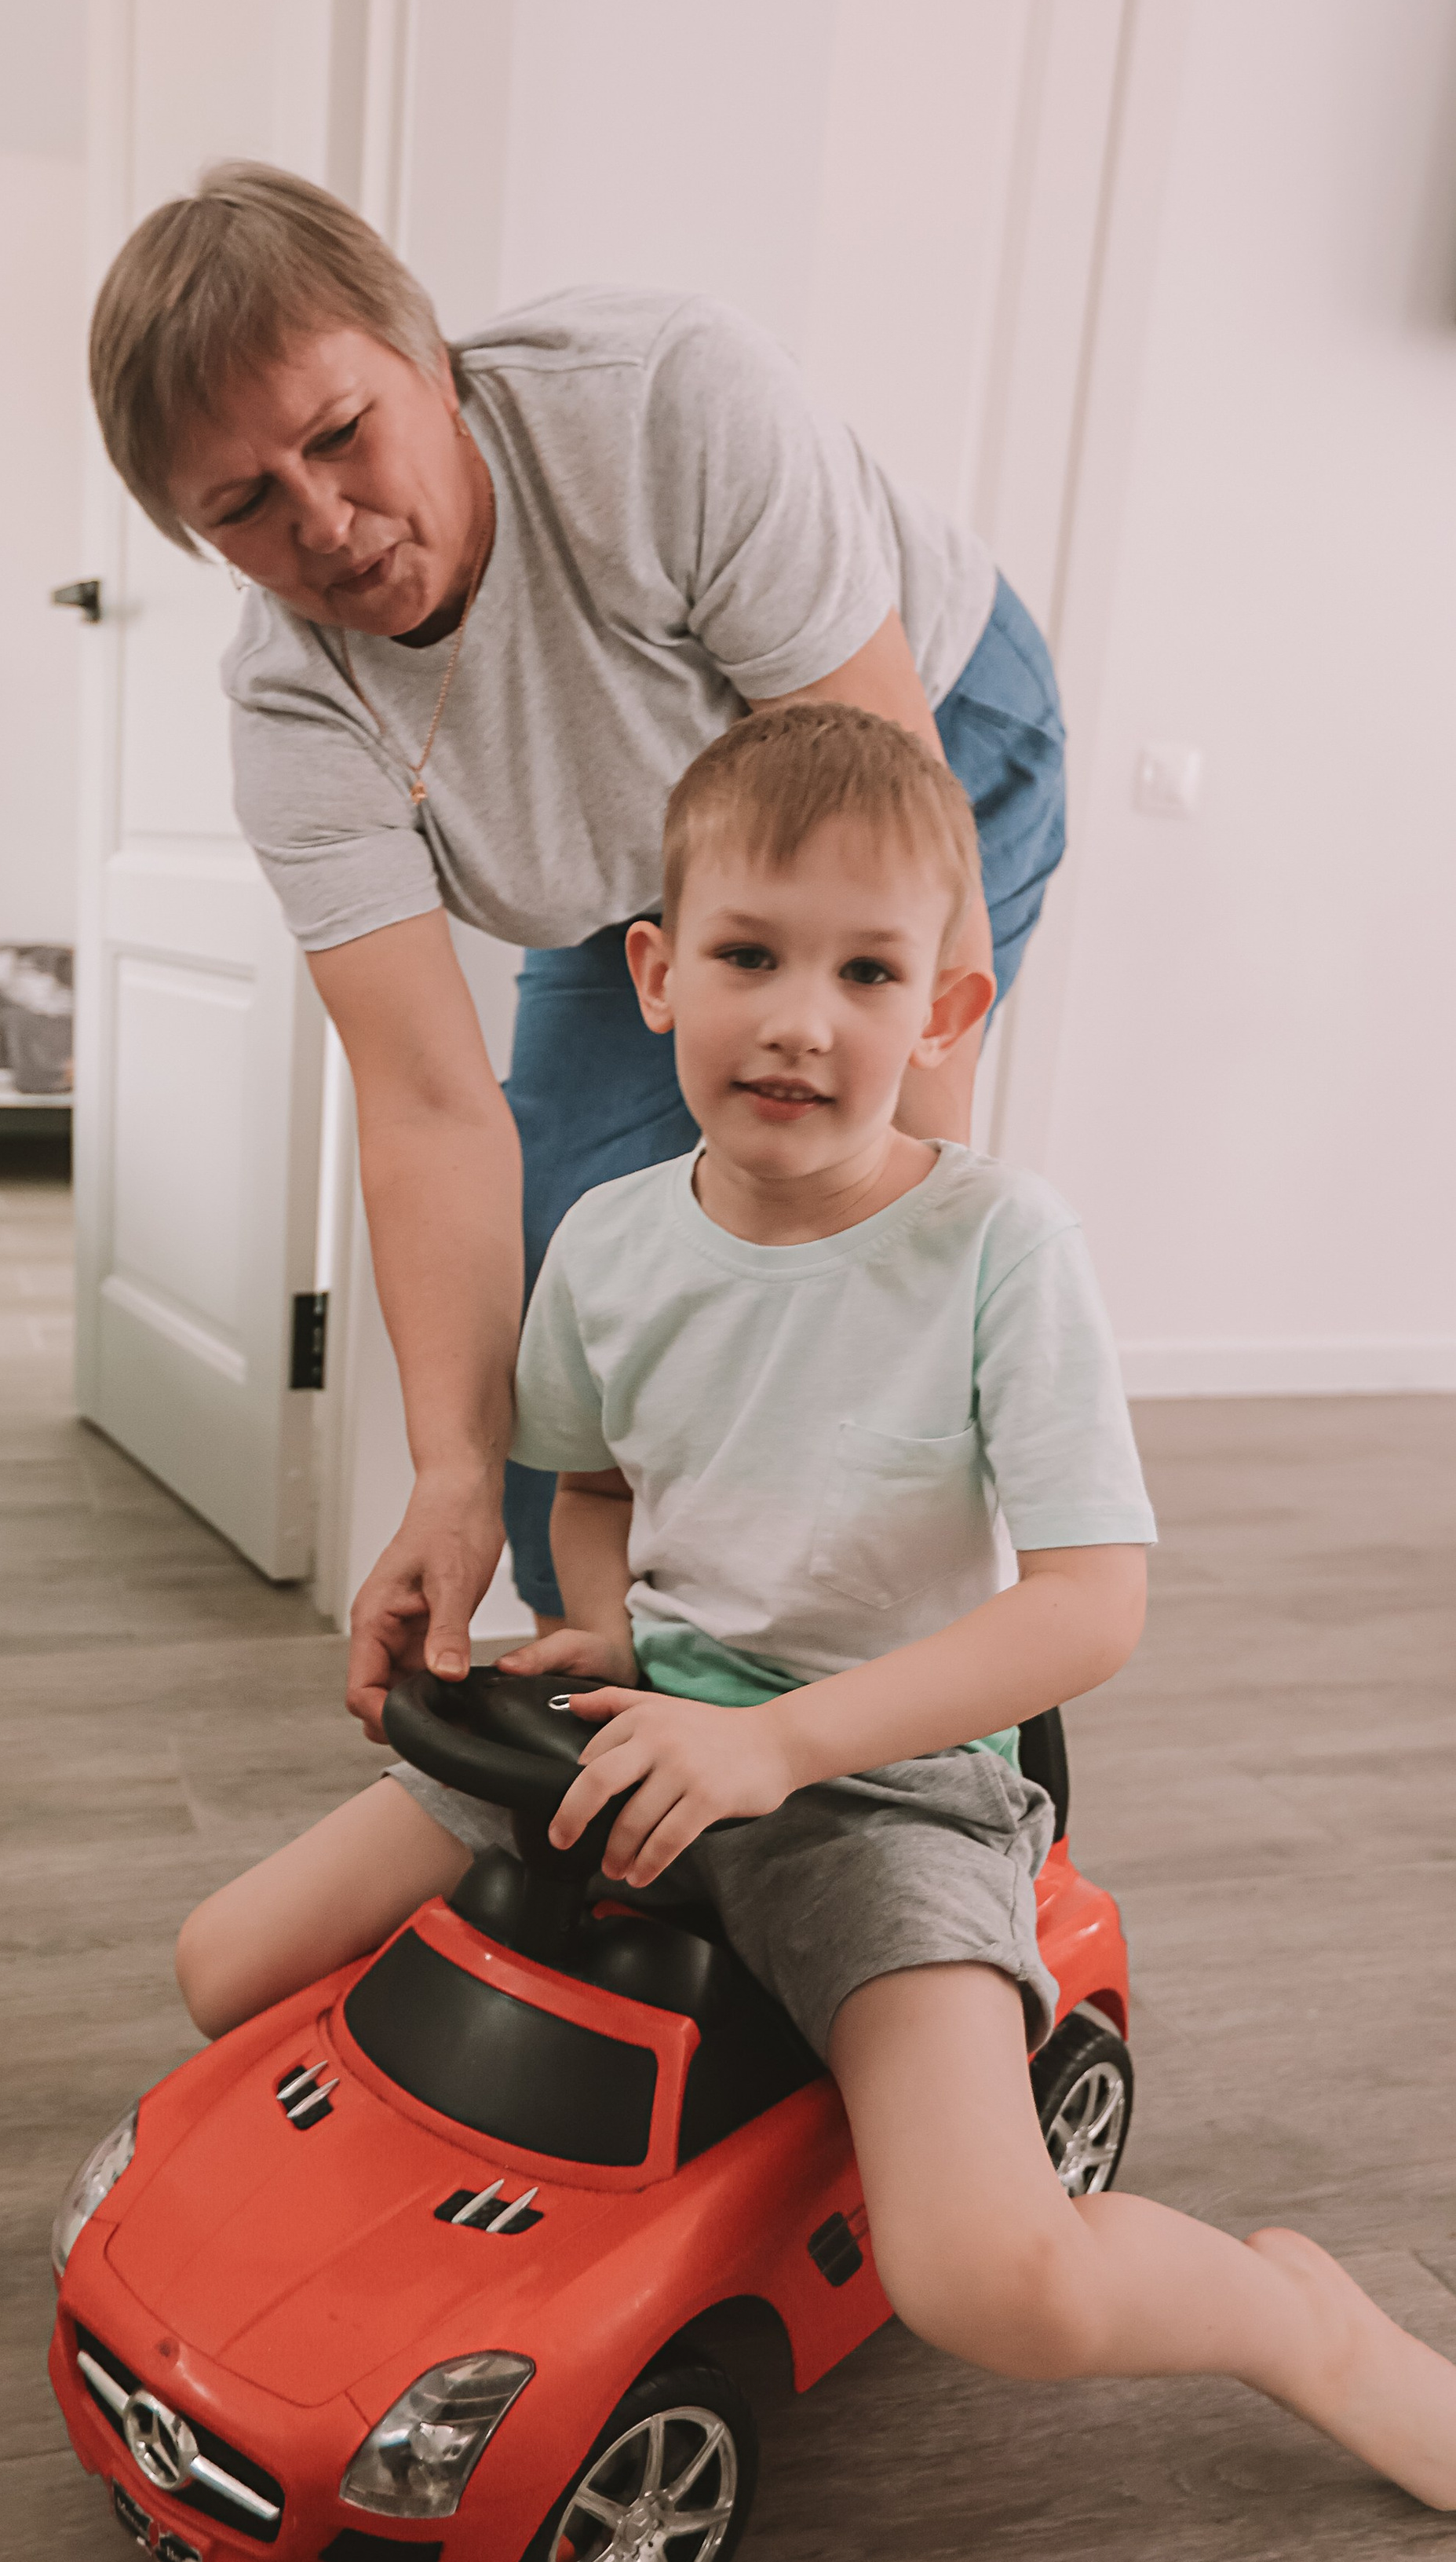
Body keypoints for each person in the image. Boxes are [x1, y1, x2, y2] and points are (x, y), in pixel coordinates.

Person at [175, 704, 1456, 2513]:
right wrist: (617, 1631)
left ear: (941, 1012)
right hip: (649, 1726)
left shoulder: (1000, 1248)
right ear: (653, 973)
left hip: (883, 1781)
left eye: (864, 971)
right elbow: (599, 1487)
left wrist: (776, 1735)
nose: (796, 1014)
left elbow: (1089, 1607)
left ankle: (1291, 2321)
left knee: (983, 2280)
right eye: (749, 954)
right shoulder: (607, 1239)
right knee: (222, 1965)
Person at [87, 163, 1069, 1711]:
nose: (324, 522)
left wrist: (904, 1299)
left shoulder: (662, 403)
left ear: (429, 357)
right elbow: (427, 1108)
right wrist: (447, 1479)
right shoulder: (295, 719)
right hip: (644, 844)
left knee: (805, 1174)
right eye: (244, 508)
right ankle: (613, 1666)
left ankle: (858, 1682)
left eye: (340, 436)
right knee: (572, 1246)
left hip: (916, 736)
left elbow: (876, 940)